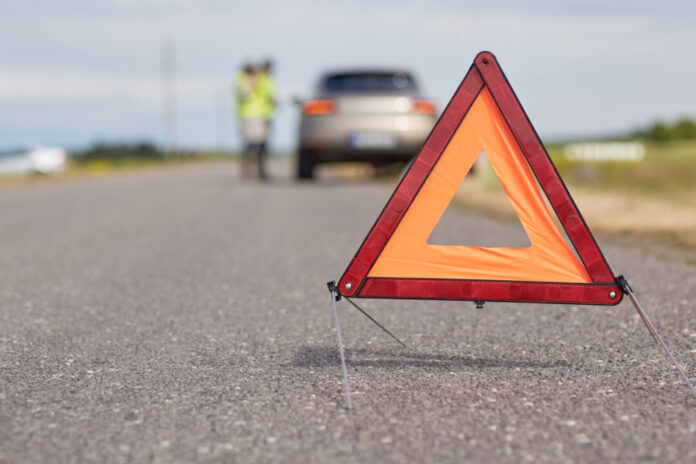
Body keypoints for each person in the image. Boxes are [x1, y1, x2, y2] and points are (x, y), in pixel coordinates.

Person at [235, 63, 268, 180]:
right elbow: (245, 95)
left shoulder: (257, 79)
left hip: (258, 115)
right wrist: (252, 84)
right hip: (248, 115)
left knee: (258, 144)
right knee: (249, 144)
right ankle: (247, 171)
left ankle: (255, 171)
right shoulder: (242, 80)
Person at [257, 60, 277, 172]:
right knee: (260, 144)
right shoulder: (262, 80)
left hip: (266, 114)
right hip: (262, 115)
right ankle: (260, 169)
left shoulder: (265, 79)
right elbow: (268, 97)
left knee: (262, 144)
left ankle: (261, 169)